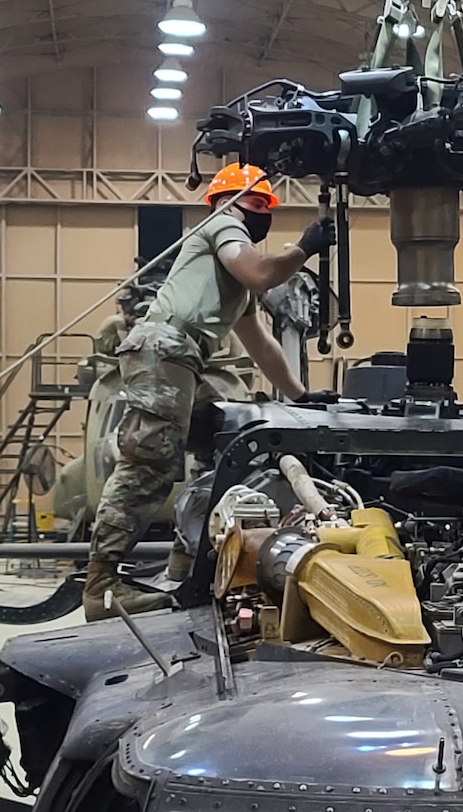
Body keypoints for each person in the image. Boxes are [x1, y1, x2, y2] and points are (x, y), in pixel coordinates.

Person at [83, 163, 337, 621]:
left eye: (265, 207)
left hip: (182, 359)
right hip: (164, 351)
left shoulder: (234, 284)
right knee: (150, 464)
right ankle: (102, 587)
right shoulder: (223, 226)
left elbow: (261, 345)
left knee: (227, 446)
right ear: (224, 202)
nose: (260, 214)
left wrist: (300, 398)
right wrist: (303, 249)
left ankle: (186, 559)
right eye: (255, 204)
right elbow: (262, 272)